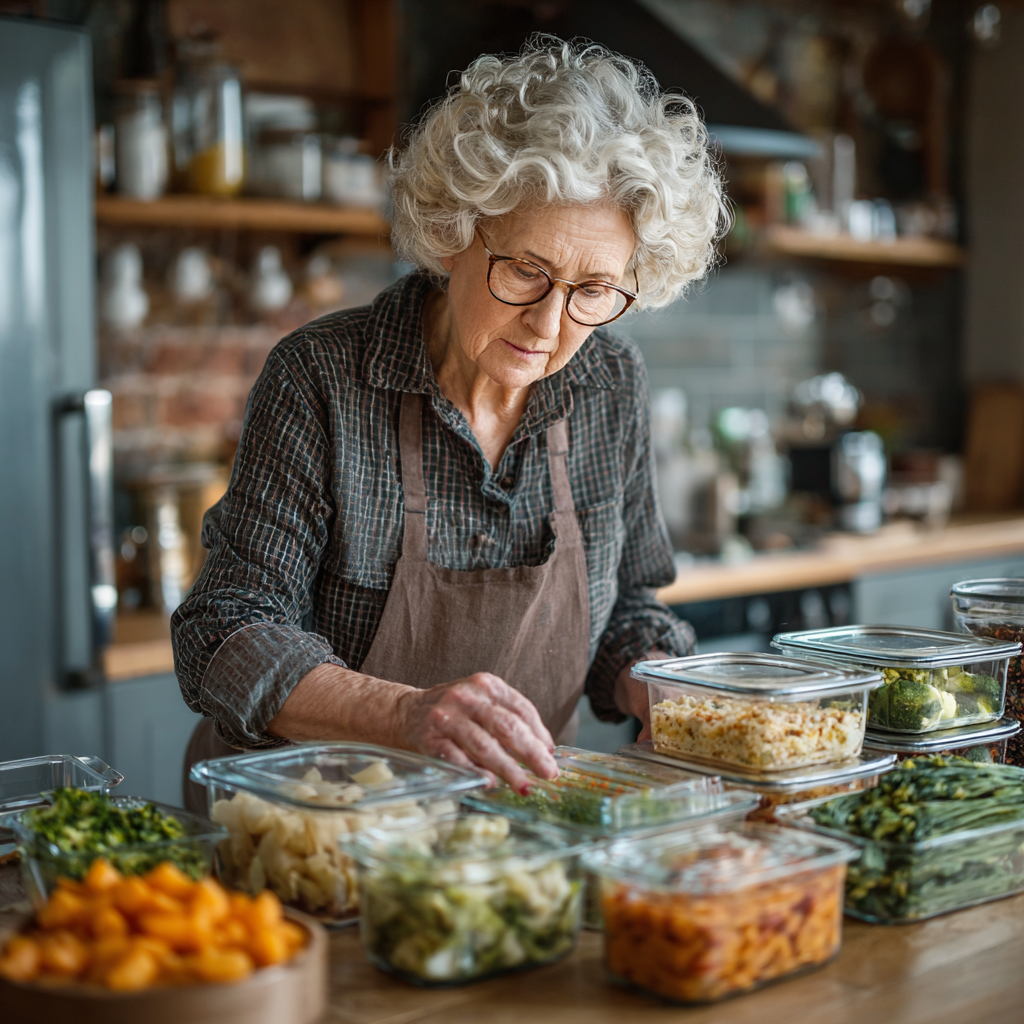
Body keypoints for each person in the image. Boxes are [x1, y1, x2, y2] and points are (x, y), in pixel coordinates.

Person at [173, 36, 727, 810]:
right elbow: (223, 633)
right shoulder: (322, 376)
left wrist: (655, 685)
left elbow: (628, 606)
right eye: (527, 270)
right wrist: (403, 714)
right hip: (305, 829)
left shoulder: (609, 382)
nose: (549, 323)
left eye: (594, 289)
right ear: (454, 230)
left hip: (507, 829)